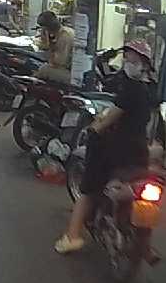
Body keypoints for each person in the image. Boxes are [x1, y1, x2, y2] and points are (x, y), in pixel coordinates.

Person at [54, 41, 158, 254]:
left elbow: (109, 119)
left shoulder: (130, 91)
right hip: (139, 154)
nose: (128, 62)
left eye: (133, 60)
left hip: (116, 152)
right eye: (127, 58)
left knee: (88, 191)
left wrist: (93, 129)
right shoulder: (150, 90)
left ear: (143, 64)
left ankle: (72, 237)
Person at [34, 11, 75, 85]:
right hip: (67, 68)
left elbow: (60, 62)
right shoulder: (61, 32)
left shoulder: (65, 36)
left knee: (43, 70)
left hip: (71, 74)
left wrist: (48, 44)